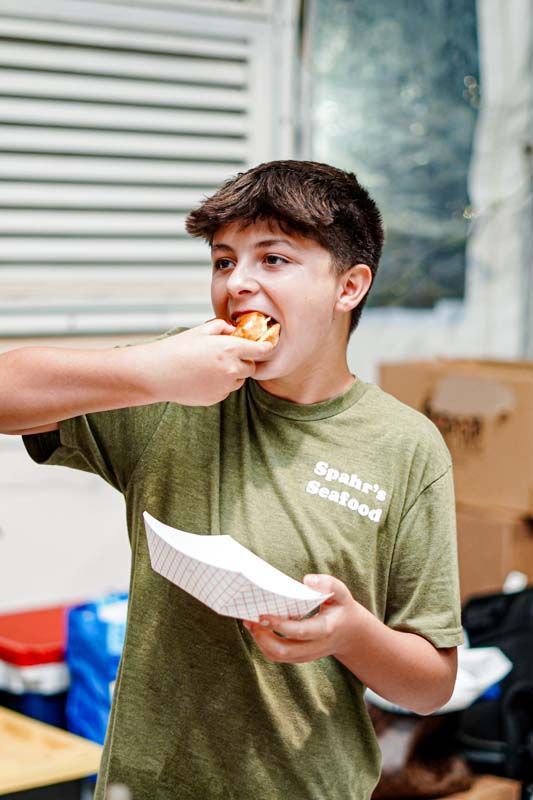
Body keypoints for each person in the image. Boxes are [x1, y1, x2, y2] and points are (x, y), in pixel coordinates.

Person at [0, 160, 463, 800]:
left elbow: (432, 683)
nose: (238, 283)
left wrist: (351, 632)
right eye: (223, 261)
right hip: (147, 786)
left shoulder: (405, 446)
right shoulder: (170, 387)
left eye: (272, 260)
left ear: (349, 286)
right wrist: (151, 373)